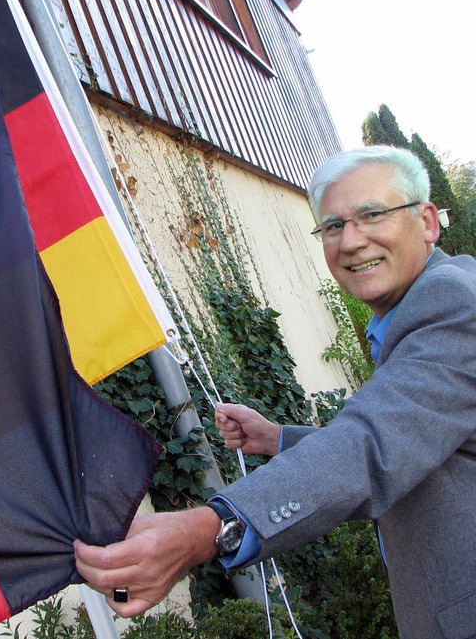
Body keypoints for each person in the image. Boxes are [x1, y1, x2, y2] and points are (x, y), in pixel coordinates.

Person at [74, 146, 476, 639]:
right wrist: (277, 438)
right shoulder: (414, 309)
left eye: (372, 214)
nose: (350, 241)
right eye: (332, 226)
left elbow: (371, 444)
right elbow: (415, 433)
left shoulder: (453, 303)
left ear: (428, 221)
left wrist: (212, 526)